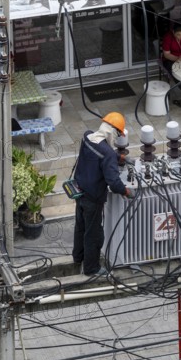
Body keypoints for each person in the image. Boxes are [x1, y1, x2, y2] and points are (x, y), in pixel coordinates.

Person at [72, 112, 134, 276]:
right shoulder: (107, 154)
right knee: (94, 234)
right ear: (113, 132)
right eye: (119, 134)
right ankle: (91, 268)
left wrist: (117, 157)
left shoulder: (87, 137)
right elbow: (113, 182)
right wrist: (126, 191)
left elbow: (98, 151)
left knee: (81, 227)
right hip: (93, 198)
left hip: (79, 191)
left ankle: (78, 257)